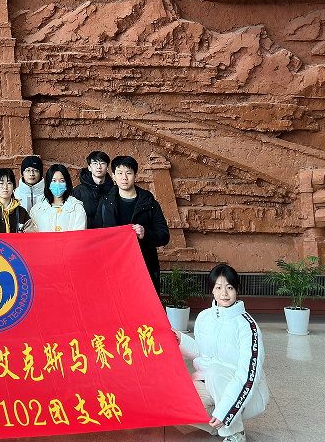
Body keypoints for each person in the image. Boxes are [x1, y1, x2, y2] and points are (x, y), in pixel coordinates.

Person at [172, 264, 269, 442]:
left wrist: (226, 411)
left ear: (237, 289)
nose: (224, 293)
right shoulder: (204, 317)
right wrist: (180, 340)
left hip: (244, 392)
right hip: (208, 383)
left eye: (229, 287)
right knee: (175, 401)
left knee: (215, 371)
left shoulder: (247, 326)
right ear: (212, 290)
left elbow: (248, 374)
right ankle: (217, 426)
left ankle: (235, 432)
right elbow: (202, 353)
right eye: (218, 287)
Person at [94, 155, 169, 294]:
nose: (124, 178)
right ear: (113, 176)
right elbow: (96, 236)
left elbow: (164, 235)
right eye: (120, 173)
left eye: (128, 173)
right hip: (113, 267)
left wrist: (145, 234)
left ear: (135, 175)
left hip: (143, 266)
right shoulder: (105, 203)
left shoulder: (149, 203)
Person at [27, 164, 87, 232]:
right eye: (54, 180)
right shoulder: (37, 210)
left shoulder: (76, 207)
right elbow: (33, 235)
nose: (58, 184)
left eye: (62, 181)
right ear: (48, 183)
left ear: (67, 183)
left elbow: (79, 234)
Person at [0, 168, 36, 233]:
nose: (5, 187)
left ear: (14, 187)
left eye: (9, 183)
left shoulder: (22, 213)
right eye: (1, 183)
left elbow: (30, 237)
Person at [71, 150, 115, 229]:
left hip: (108, 235)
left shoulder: (114, 191)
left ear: (107, 167)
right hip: (85, 235)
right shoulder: (78, 191)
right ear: (89, 167)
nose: (99, 167)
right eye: (95, 163)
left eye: (102, 163)